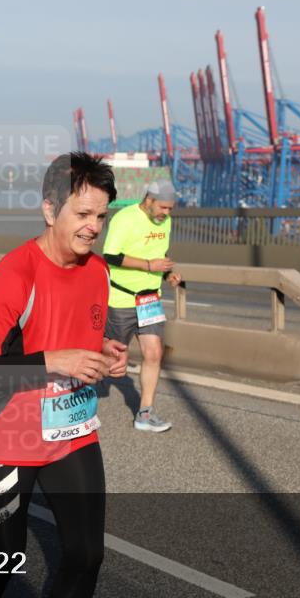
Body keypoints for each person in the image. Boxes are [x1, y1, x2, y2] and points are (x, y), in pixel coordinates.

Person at [0, 152, 128, 598]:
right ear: (50, 211)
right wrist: (55, 359)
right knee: (4, 554)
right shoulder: (17, 272)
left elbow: (77, 343)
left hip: (70, 430)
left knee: (85, 554)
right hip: (5, 436)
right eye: (82, 214)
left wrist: (104, 355)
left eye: (101, 215)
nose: (93, 227)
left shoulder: (97, 271)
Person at [101, 180, 183, 432]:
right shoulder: (124, 219)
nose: (166, 214)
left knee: (154, 353)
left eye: (170, 209)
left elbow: (160, 252)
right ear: (149, 200)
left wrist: (167, 274)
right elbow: (110, 255)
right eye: (163, 208)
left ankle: (144, 414)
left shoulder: (165, 222)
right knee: (111, 359)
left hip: (150, 300)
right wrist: (149, 266)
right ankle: (79, 404)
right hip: (122, 299)